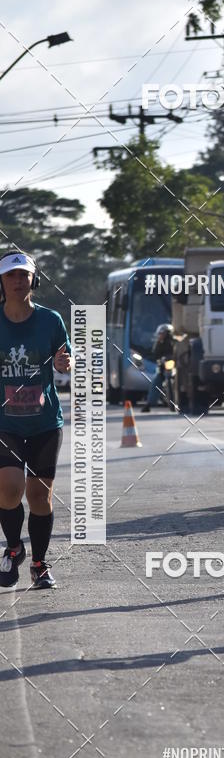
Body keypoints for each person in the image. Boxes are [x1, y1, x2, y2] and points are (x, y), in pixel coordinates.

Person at [0, 251, 72, 590]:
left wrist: (62, 364)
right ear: (1, 282)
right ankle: (14, 548)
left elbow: (64, 357)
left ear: (34, 280)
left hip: (44, 422)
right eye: (11, 275)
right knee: (10, 489)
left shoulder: (51, 320)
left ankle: (40, 565)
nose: (17, 281)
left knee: (39, 496)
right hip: (6, 424)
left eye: (23, 275)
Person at [141, 323, 175, 412]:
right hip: (164, 368)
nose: (160, 335)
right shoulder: (159, 343)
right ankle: (149, 404)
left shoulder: (175, 342)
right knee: (156, 382)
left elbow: (180, 353)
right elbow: (155, 354)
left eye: (162, 333)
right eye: (160, 334)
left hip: (177, 368)